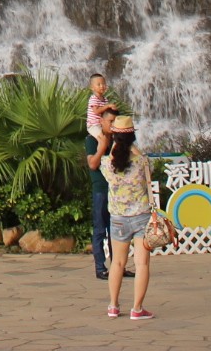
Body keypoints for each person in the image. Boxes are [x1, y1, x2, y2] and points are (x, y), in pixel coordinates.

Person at [100, 114, 156, 321]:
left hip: (118, 218)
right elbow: (149, 168)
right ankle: (137, 308)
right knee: (142, 264)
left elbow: (112, 159)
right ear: (132, 137)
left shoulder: (107, 164)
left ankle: (113, 306)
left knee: (117, 264)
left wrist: (114, 145)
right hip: (141, 216)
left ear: (114, 138)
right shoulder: (142, 162)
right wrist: (132, 147)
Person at [82, 72, 130, 281]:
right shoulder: (93, 140)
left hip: (116, 191)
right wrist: (102, 147)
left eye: (114, 121)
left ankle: (119, 266)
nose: (112, 124)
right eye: (109, 121)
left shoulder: (116, 141)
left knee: (117, 231)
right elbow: (92, 164)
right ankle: (100, 268)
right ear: (101, 122)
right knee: (100, 229)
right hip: (101, 190)